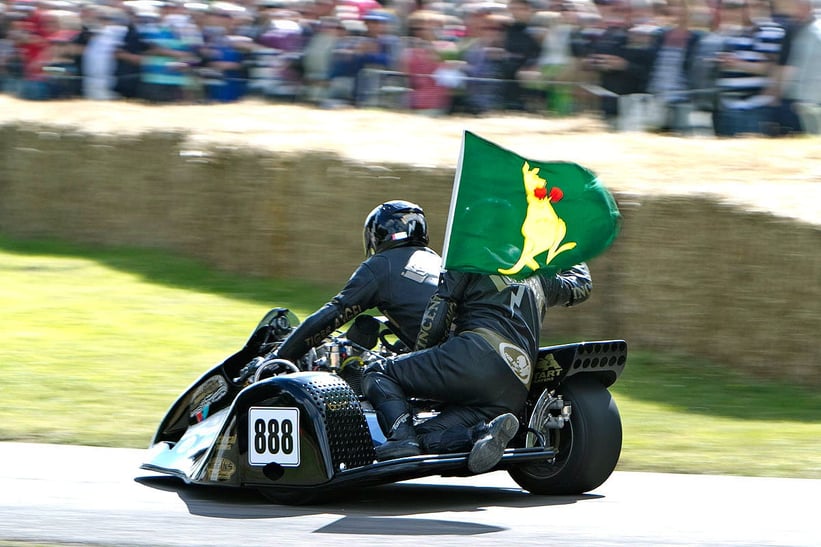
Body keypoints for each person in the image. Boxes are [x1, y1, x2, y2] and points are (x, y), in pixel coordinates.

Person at [362, 263, 592, 473]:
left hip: (475, 358)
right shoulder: (541, 277)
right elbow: (582, 286)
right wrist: (571, 248)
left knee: (378, 372)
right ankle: (480, 434)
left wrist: (420, 360)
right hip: (515, 386)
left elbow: (437, 318)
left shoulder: (468, 257)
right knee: (422, 436)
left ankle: (400, 437)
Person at [274, 200, 441, 364]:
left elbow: (336, 311)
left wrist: (280, 356)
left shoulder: (382, 264)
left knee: (373, 373)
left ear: (378, 235)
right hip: (457, 352)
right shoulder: (437, 261)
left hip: (441, 363)